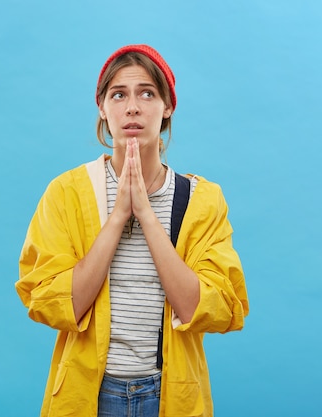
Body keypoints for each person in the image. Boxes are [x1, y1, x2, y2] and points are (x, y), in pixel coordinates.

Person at [16, 44, 249, 417]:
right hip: (91, 393)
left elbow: (208, 308)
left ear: (167, 106)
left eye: (147, 93)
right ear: (102, 108)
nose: (133, 107)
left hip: (169, 395)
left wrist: (147, 215)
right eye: (119, 94)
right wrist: (117, 217)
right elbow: (58, 304)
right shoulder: (67, 193)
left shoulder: (202, 200)